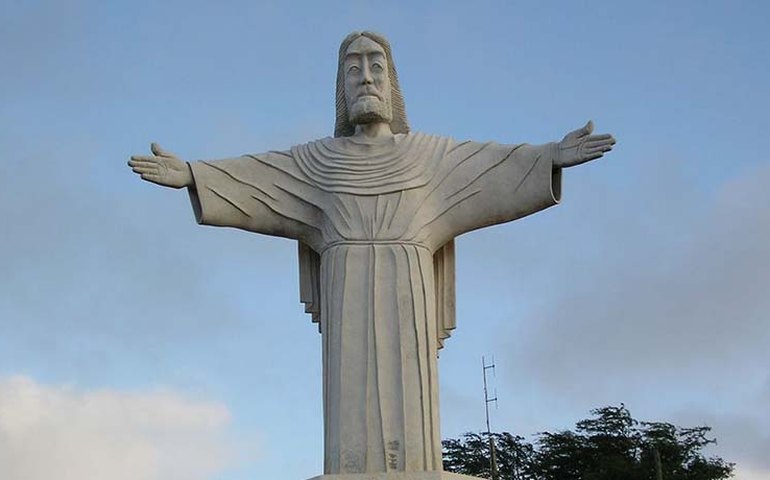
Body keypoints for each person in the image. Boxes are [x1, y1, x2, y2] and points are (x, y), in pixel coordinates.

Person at [128, 31, 615, 476]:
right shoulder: (317, 162)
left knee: (412, 417)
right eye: (353, 68)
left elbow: (492, 168)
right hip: (348, 289)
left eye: (375, 66)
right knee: (353, 419)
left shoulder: (429, 157)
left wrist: (550, 156)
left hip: (408, 282)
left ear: (392, 82)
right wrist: (195, 173)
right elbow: (259, 178)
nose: (365, 76)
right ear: (340, 87)